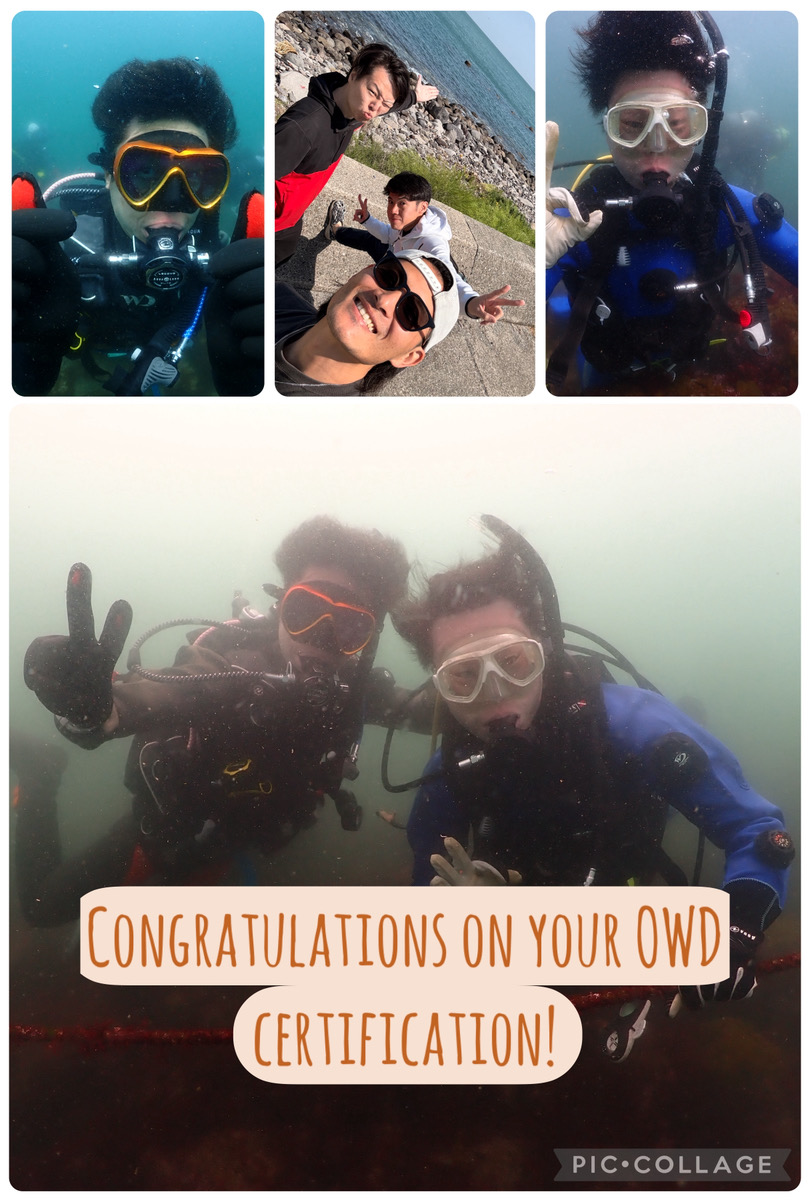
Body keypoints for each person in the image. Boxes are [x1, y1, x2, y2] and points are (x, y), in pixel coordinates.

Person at [392, 515, 794, 1020]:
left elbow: (757, 832)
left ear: (545, 651)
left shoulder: (631, 723)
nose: (494, 693)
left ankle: (694, 717)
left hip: (625, 845)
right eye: (463, 676)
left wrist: (734, 933)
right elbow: (424, 890)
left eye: (513, 662)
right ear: (438, 685)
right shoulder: (450, 772)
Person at [16, 517, 421, 926]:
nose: (321, 637)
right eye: (306, 611)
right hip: (166, 837)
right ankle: (41, 770)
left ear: (369, 637)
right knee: (40, 907)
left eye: (350, 625)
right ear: (281, 605)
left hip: (231, 847)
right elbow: (168, 691)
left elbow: (441, 707)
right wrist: (94, 711)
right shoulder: (230, 672)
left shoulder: (355, 694)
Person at [545, 11, 798, 394]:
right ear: (608, 130)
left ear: (702, 129)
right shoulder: (574, 225)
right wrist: (537, 253)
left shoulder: (728, 211)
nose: (656, 147)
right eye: (632, 125)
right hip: (607, 364)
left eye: (678, 123)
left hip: (686, 357)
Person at [12, 56, 263, 396]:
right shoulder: (61, 252)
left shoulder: (219, 265)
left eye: (196, 176)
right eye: (145, 171)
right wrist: (22, 369)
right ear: (109, 176)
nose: (171, 200)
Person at [275, 41, 438, 266]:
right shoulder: (305, 126)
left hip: (291, 220)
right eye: (372, 92)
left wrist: (414, 97)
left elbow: (386, 102)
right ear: (354, 74)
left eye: (384, 104)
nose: (375, 107)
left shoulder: (354, 113)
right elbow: (252, 179)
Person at [323, 171, 525, 326]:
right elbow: (388, 234)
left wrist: (472, 304)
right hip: (397, 258)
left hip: (406, 281)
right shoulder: (408, 223)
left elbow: (450, 279)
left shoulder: (432, 243)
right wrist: (367, 220)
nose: (393, 210)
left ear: (423, 207)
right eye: (391, 201)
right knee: (372, 240)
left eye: (402, 203)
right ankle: (335, 231)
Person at [276, 248, 460, 396]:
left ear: (407, 357)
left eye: (411, 313)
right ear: (362, 271)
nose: (384, 301)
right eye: (389, 277)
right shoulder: (273, 296)